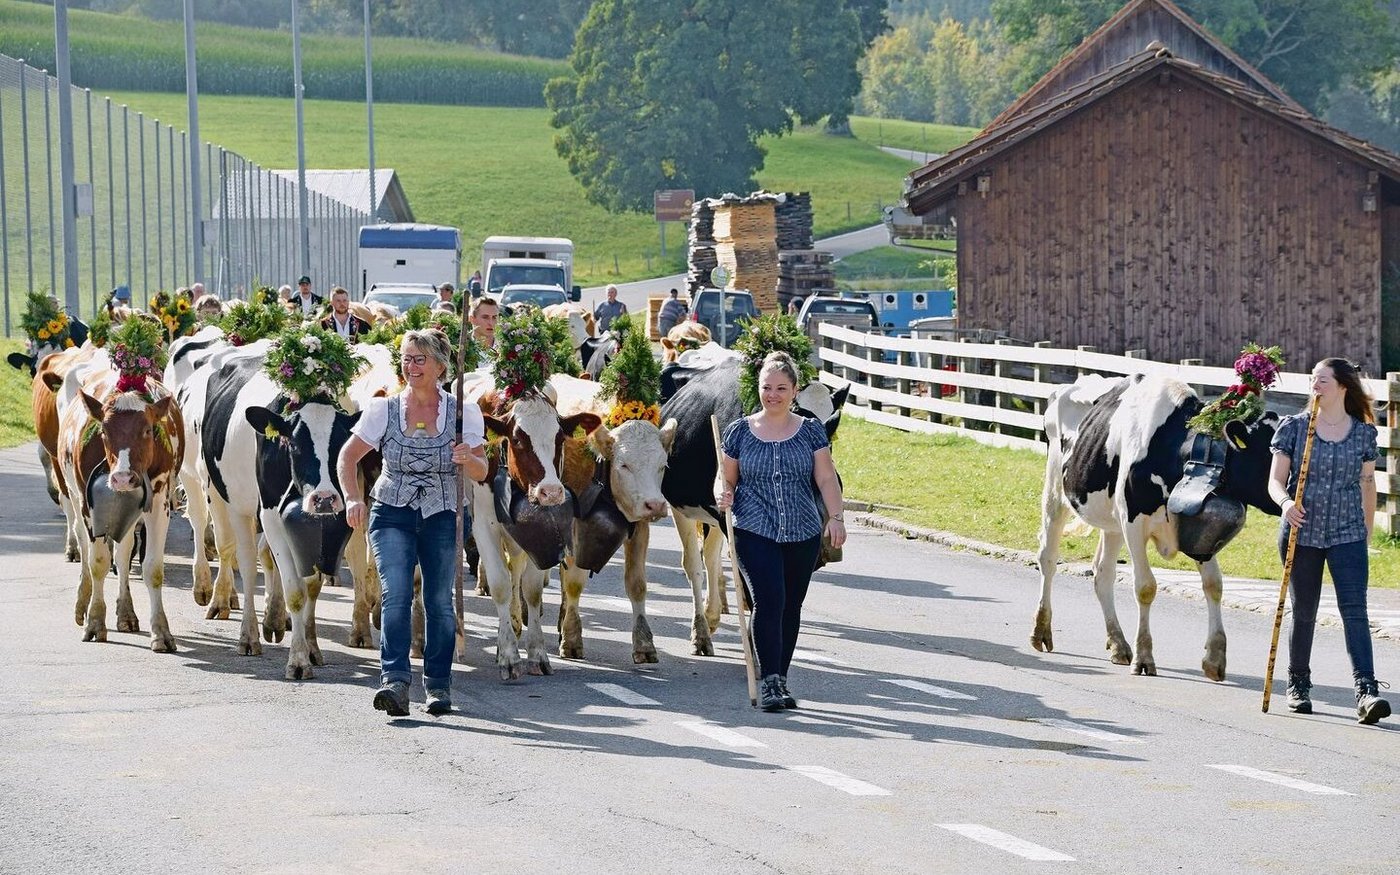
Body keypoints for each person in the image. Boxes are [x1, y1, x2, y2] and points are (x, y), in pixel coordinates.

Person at [337, 329, 488, 717]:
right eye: (406, 359)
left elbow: (483, 471)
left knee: (439, 602)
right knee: (396, 595)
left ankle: (438, 685)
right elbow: (348, 457)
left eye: (420, 359)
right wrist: (354, 497)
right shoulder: (382, 410)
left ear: (440, 366)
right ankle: (395, 682)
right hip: (391, 512)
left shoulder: (462, 413)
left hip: (442, 514)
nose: (411, 366)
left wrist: (467, 458)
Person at [716, 351, 846, 712]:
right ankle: (770, 679)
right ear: (758, 388)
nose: (772, 394)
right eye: (766, 387)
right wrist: (721, 493)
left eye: (781, 388)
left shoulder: (810, 431)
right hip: (753, 528)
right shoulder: (739, 431)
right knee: (769, 599)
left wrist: (835, 517)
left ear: (795, 391)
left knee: (791, 605)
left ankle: (781, 676)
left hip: (802, 529)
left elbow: (825, 477)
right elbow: (726, 477)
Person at [1268, 357, 1390, 724]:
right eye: (1313, 379)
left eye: (1322, 379)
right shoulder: (1295, 428)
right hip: (1302, 534)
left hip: (1348, 534)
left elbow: (1367, 483)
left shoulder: (1363, 433)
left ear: (1342, 386)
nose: (1315, 385)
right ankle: (1298, 684)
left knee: (1355, 612)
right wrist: (1287, 503)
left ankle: (1367, 692)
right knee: (1303, 611)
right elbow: (1275, 481)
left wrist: (1366, 531)